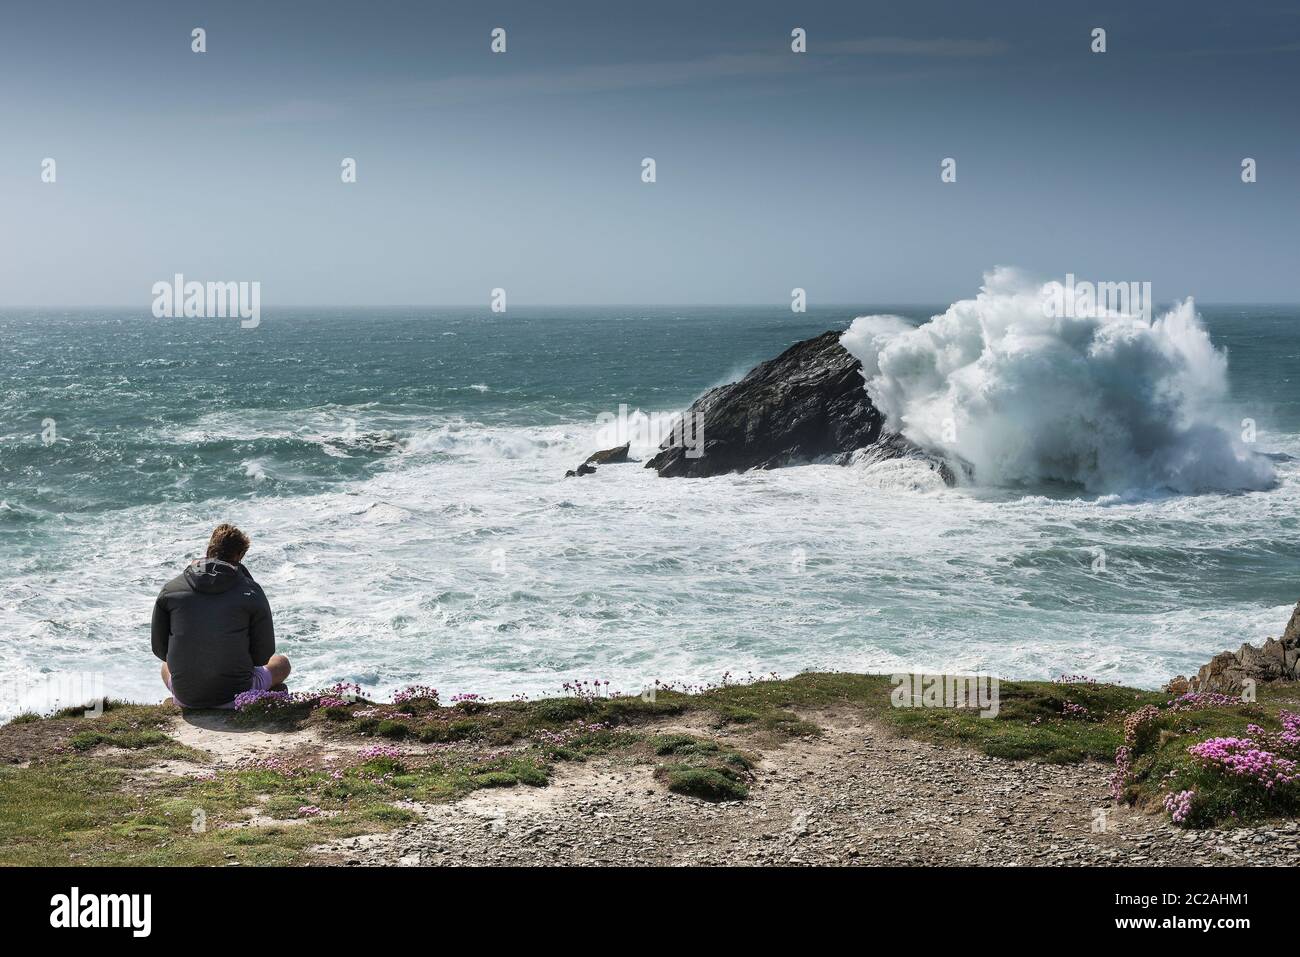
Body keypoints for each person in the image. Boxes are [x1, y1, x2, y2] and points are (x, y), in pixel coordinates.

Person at [152, 523, 290, 708]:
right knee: (281, 663)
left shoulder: (171, 589)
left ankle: (179, 702)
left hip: (187, 697)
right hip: (235, 695)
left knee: (165, 667)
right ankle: (260, 697)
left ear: (209, 550)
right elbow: (262, 656)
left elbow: (161, 651)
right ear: (240, 556)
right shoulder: (251, 591)